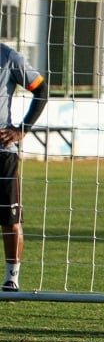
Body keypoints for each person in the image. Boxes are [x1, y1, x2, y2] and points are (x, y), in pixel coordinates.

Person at [0, 43, 49, 292]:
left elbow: (41, 89)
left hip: (2, 152)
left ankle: (12, 277)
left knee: (10, 218)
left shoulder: (9, 57)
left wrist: (22, 129)